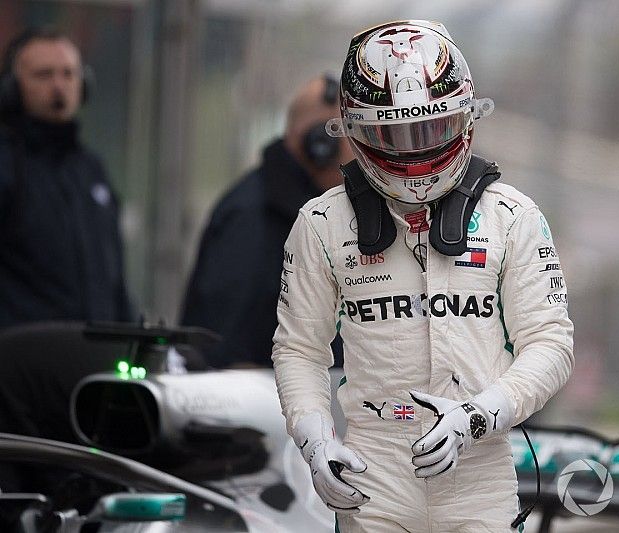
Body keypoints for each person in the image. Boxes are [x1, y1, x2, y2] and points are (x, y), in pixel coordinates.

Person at [272, 20, 574, 532]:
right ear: (355, 130)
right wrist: (314, 440)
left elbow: (551, 343)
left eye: (431, 129)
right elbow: (299, 348)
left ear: (466, 117)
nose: (414, 153)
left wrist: (479, 415)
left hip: (479, 471)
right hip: (372, 475)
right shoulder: (321, 223)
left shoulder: (512, 217)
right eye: (393, 134)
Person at [181, 75, 353, 368]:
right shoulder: (251, 218)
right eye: (353, 137)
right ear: (321, 146)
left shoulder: (307, 212)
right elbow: (219, 351)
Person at [0, 27, 132, 329]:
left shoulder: (91, 170)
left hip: (96, 349)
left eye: (69, 74)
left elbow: (114, 278)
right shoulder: (7, 166)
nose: (59, 85)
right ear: (12, 88)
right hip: (22, 353)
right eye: (44, 75)